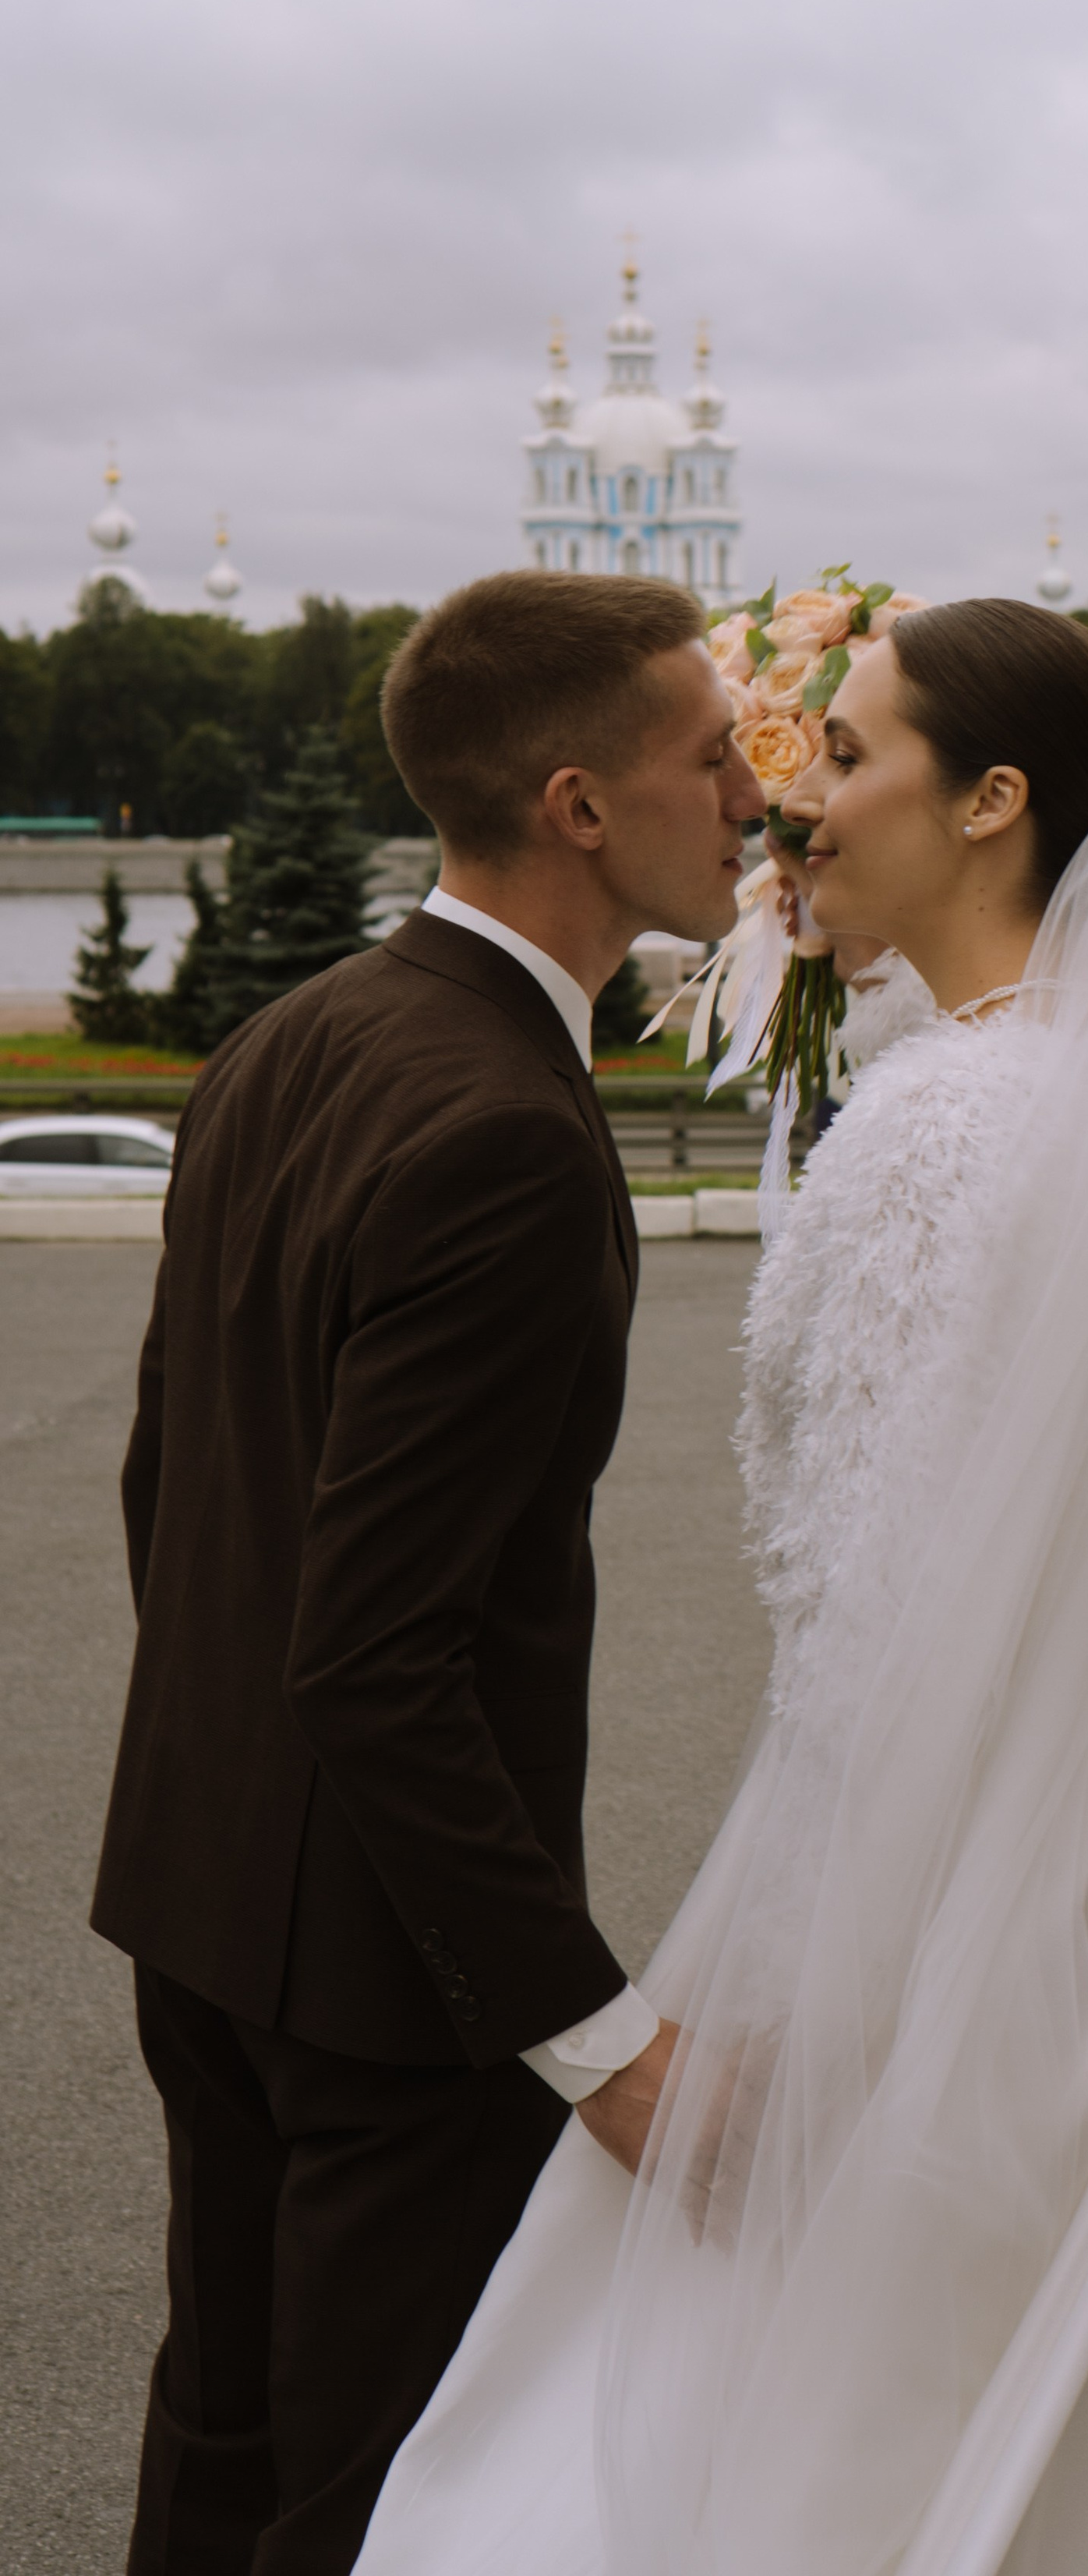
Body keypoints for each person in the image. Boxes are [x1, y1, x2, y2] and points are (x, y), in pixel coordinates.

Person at [356, 598, 1088, 2576]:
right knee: (1064, 2398)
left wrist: (815, 1945)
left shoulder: (938, 1124)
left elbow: (873, 1588)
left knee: (790, 2400)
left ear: (991, 805)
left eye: (848, 756)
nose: (792, 810)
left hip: (947, 1825)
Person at [91, 569, 764, 2574]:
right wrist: (595, 2041)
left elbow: (173, 1497)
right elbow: (379, 1650)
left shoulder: (294, 1037)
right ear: (577, 804)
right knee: (378, 2501)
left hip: (202, 1897)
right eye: (710, 754)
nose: (751, 794)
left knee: (222, 2443)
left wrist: (241, 1823)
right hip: (390, 1983)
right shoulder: (506, 1135)